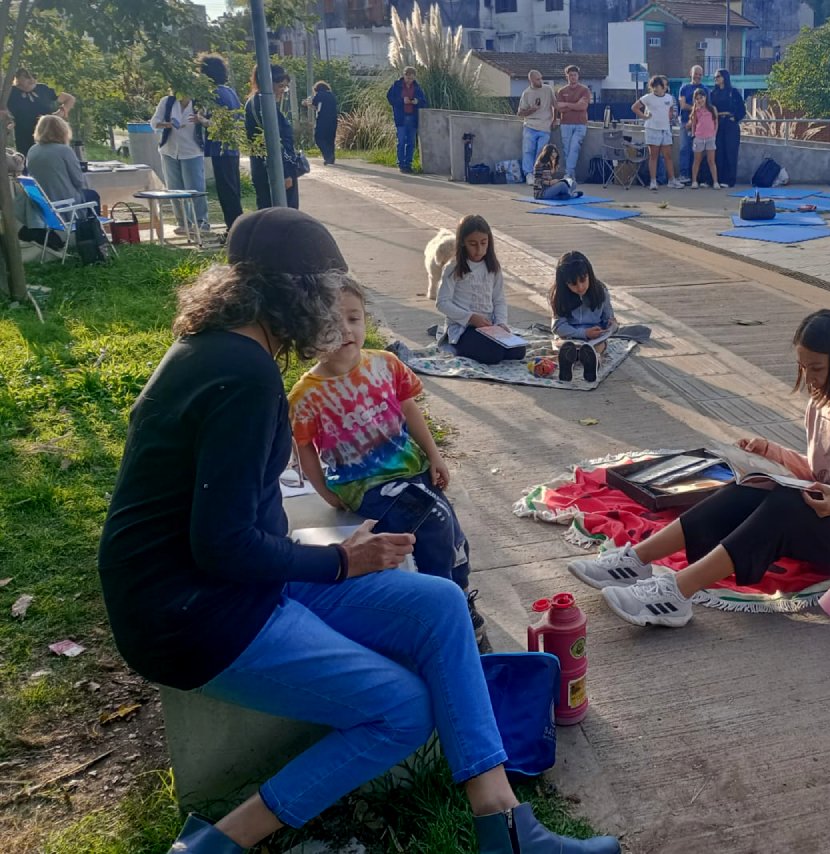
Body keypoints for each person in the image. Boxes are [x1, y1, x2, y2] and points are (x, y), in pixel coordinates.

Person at [97, 207, 619, 854]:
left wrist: (325, 557)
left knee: (440, 602)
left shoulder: (214, 349)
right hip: (195, 616)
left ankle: (504, 823)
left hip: (218, 585)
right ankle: (220, 842)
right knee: (403, 710)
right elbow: (222, 543)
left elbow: (225, 520)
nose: (334, 312)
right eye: (327, 292)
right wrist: (342, 562)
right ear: (296, 292)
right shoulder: (244, 375)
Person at [569, 309, 830, 628]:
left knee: (787, 506)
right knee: (751, 488)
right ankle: (636, 560)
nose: (809, 380)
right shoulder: (820, 404)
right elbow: (826, 475)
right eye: (803, 368)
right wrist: (770, 455)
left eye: (817, 369)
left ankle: (676, 593)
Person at [289, 279, 487, 649]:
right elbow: (305, 449)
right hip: (366, 486)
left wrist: (434, 455)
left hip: (411, 470)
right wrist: (326, 492)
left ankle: (459, 594)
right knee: (433, 520)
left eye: (354, 318)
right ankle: (445, 608)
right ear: (309, 333)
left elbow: (410, 410)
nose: (346, 330)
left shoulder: (386, 364)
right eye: (331, 322)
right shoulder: (306, 394)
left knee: (451, 530)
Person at [435, 214, 527, 365]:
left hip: (489, 326)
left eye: (483, 243)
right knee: (493, 354)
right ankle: (457, 347)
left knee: (518, 351)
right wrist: (470, 318)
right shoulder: (453, 268)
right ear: (462, 243)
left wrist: (501, 323)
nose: (479, 249)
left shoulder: (493, 267)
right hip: (463, 328)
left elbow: (499, 300)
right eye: (473, 244)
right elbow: (442, 303)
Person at [151, 87, 211, 234]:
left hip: (192, 151)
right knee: (174, 188)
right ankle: (183, 222)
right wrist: (167, 125)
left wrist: (200, 120)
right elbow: (154, 123)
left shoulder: (200, 103)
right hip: (169, 150)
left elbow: (211, 124)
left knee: (195, 188)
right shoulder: (167, 102)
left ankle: (201, 222)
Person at [549, 251, 615, 383]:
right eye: (573, 284)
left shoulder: (601, 291)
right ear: (564, 284)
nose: (580, 287)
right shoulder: (559, 296)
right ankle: (567, 363)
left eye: (583, 280)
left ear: (589, 274)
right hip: (569, 335)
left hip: (594, 337)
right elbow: (558, 327)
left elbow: (608, 318)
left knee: (598, 346)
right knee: (562, 345)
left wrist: (610, 325)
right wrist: (583, 333)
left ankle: (593, 362)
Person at [246, 64, 300, 210]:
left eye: (285, 87)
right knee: (283, 212)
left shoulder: (255, 102)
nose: (283, 91)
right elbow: (275, 140)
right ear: (268, 84)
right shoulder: (263, 106)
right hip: (275, 168)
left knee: (269, 210)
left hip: (264, 166)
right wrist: (286, 173)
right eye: (280, 86)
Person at [199, 53, 244, 230]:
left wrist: (202, 120)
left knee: (226, 192)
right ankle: (237, 225)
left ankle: (234, 228)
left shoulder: (214, 94)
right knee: (233, 189)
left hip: (220, 148)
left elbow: (218, 124)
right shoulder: (230, 92)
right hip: (232, 147)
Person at [25, 115, 99, 217]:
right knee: (92, 195)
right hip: (65, 203)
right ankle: (90, 226)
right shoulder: (64, 150)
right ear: (63, 131)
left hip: (42, 205)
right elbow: (78, 180)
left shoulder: (33, 150)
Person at [5, 69, 73, 156]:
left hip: (49, 134)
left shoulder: (43, 89)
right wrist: (8, 121)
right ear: (17, 78)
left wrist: (61, 113)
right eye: (26, 77)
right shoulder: (9, 93)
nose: (32, 79)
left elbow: (70, 99)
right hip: (24, 136)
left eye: (34, 76)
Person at [633, 75, 683, 191]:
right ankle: (653, 181)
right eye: (653, 86)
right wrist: (644, 117)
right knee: (654, 156)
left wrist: (670, 117)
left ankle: (672, 180)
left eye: (658, 86)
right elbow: (634, 107)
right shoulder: (647, 97)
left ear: (663, 87)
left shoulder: (669, 98)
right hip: (652, 129)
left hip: (665, 129)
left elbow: (671, 109)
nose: (655, 88)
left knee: (668, 156)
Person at [709, 69, 745, 188]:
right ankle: (718, 179)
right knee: (719, 151)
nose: (716, 79)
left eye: (718, 76)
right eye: (715, 77)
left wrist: (735, 118)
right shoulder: (713, 93)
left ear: (724, 77)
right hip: (718, 123)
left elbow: (742, 109)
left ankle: (729, 180)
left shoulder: (733, 92)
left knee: (731, 151)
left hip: (730, 124)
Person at [387, 67, 427, 174]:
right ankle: (401, 164)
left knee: (411, 142)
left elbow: (424, 101)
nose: (409, 80)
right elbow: (390, 98)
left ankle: (408, 164)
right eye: (408, 78)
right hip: (401, 117)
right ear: (404, 76)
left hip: (413, 118)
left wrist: (417, 101)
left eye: (412, 78)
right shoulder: (396, 86)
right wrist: (402, 101)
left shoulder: (417, 87)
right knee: (401, 141)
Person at [554, 65, 591, 179]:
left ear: (578, 76)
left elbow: (583, 107)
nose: (573, 77)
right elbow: (559, 108)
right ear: (567, 76)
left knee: (574, 147)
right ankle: (570, 173)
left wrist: (567, 104)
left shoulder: (584, 90)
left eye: (575, 75)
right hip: (565, 123)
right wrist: (575, 105)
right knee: (567, 149)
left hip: (580, 124)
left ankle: (569, 172)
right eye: (570, 75)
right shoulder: (562, 91)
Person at [517, 70, 554, 185]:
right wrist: (531, 110)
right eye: (538, 79)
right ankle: (528, 174)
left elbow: (555, 105)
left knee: (541, 151)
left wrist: (555, 119)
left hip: (545, 126)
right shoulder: (526, 93)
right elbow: (520, 113)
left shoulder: (548, 89)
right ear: (531, 80)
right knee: (528, 150)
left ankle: (538, 173)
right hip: (530, 126)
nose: (540, 81)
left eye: (541, 78)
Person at [677, 65, 708, 184]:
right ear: (691, 73)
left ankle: (696, 176)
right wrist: (696, 108)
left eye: (700, 74)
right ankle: (684, 174)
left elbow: (707, 107)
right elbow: (683, 105)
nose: (698, 76)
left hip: (701, 124)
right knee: (684, 148)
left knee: (698, 150)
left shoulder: (706, 89)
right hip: (686, 122)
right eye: (696, 74)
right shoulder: (684, 88)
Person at [686, 89, 721, 189]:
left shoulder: (712, 109)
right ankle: (694, 181)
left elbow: (716, 123)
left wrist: (714, 134)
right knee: (697, 160)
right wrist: (694, 135)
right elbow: (693, 124)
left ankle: (715, 181)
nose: (700, 100)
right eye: (697, 99)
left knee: (711, 161)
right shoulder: (695, 111)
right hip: (699, 137)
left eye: (701, 98)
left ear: (705, 97)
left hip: (710, 137)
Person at [309, 81, 339, 166]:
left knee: (319, 138)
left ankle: (328, 155)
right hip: (333, 120)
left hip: (323, 119)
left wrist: (308, 104)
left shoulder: (319, 94)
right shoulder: (332, 95)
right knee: (330, 139)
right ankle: (331, 158)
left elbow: (314, 104)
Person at [423, 228, 455, 301]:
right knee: (434, 277)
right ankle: (432, 292)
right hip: (436, 260)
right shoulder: (434, 259)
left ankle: (433, 293)